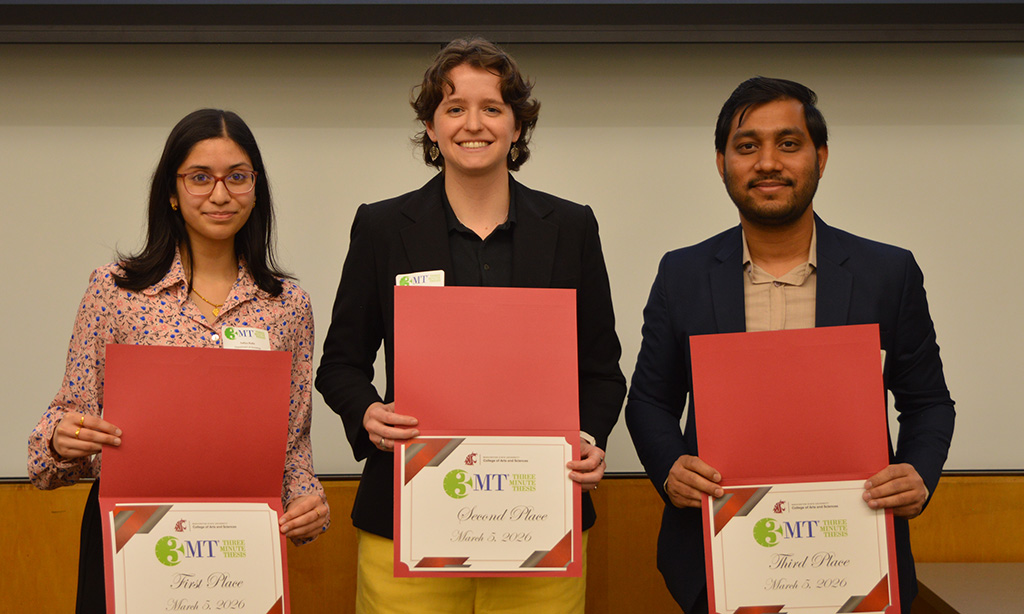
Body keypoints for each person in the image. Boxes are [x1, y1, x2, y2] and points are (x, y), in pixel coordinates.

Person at [316, 38, 626, 614]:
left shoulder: (571, 227)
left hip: (541, 522)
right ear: (430, 128)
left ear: (516, 125)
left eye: (492, 108)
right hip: (406, 525)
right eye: (454, 108)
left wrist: (591, 438)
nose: (472, 124)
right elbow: (340, 364)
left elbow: (602, 372)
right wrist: (366, 413)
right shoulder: (383, 228)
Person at [625, 77, 955, 613]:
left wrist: (918, 472)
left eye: (789, 143)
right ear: (721, 162)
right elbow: (649, 403)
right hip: (719, 556)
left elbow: (928, 403)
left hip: (855, 554)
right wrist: (670, 467)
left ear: (821, 157)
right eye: (747, 146)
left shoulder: (886, 272)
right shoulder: (681, 273)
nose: (768, 162)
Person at [27, 109, 330, 613]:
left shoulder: (288, 305)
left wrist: (307, 503)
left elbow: (291, 444)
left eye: (237, 177)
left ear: (256, 190)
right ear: (171, 190)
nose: (219, 194)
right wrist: (62, 438)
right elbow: (57, 436)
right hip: (132, 533)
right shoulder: (117, 291)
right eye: (199, 178)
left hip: (238, 542)